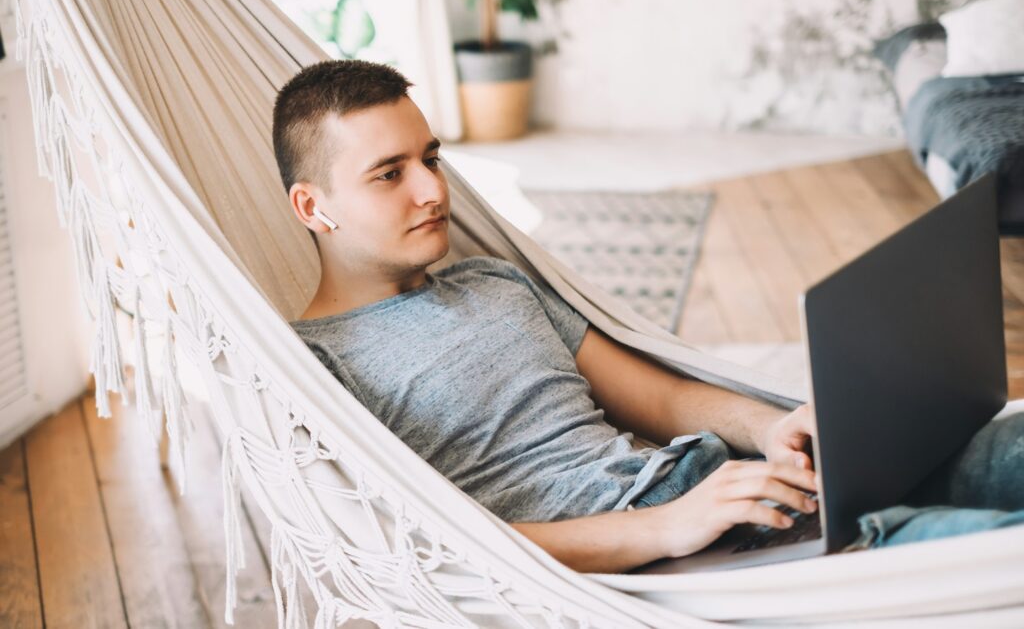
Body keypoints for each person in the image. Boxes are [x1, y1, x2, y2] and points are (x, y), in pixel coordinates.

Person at [276, 59, 1024, 574]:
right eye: (388, 174)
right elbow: (418, 545)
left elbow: (658, 396)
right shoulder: (310, 366)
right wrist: (670, 526)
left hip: (727, 486)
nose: (431, 191)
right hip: (667, 563)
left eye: (430, 159)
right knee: (988, 560)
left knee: (1008, 445)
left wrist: (766, 426)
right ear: (314, 207)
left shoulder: (493, 280)